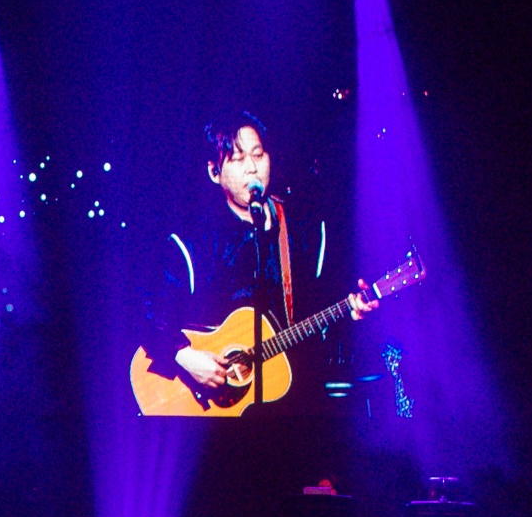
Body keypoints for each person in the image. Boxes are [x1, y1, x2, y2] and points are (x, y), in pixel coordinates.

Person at [139, 117, 376, 405]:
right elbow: (147, 311)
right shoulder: (195, 243)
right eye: (238, 158)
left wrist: (350, 311)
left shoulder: (305, 231)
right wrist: (185, 355)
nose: (252, 167)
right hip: (212, 415)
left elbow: (322, 310)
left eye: (258, 154)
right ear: (214, 172)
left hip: (293, 399)